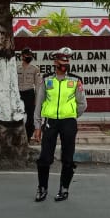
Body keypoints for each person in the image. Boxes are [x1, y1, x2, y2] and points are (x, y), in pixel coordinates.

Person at [33, 47, 87, 203]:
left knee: (68, 157)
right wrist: (37, 126)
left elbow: (82, 103)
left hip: (68, 122)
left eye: (68, 60)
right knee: (45, 157)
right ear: (55, 62)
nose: (66, 63)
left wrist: (71, 114)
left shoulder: (75, 80)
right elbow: (39, 103)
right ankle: (42, 188)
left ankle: (64, 189)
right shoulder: (47, 80)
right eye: (63, 60)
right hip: (50, 121)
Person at [16, 48, 40, 141]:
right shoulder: (16, 68)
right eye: (26, 55)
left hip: (29, 93)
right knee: (17, 116)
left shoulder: (35, 68)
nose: (28, 57)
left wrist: (36, 99)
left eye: (30, 55)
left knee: (30, 117)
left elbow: (37, 85)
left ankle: (28, 136)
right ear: (22, 56)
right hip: (18, 94)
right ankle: (18, 136)